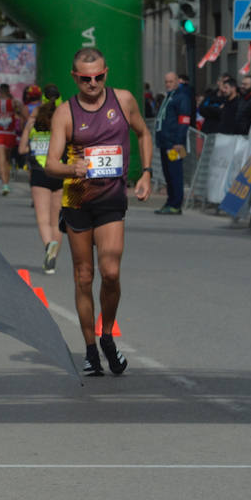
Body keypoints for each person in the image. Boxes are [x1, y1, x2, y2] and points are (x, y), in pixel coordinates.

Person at [44, 47, 153, 377]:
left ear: (106, 73)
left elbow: (143, 133)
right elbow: (50, 164)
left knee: (110, 273)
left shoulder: (123, 100)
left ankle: (107, 337)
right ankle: (91, 350)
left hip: (111, 199)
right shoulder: (65, 113)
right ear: (75, 78)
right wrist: (70, 168)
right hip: (77, 199)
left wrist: (146, 172)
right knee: (84, 276)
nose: (93, 83)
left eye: (99, 77)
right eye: (85, 78)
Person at [18, 83, 64, 273]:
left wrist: (35, 147)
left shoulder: (32, 122)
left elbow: (21, 149)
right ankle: (51, 259)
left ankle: (48, 247)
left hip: (39, 173)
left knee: (43, 219)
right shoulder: (63, 122)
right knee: (56, 221)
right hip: (60, 171)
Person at [154, 70, 191, 214]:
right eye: (166, 82)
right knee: (168, 173)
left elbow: (184, 121)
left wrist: (179, 141)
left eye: (171, 81)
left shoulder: (182, 97)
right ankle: (170, 201)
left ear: (177, 81)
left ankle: (176, 204)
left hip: (175, 143)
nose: (168, 84)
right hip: (165, 142)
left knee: (176, 173)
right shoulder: (168, 97)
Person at [0, 82, 28, 195]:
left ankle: (5, 185)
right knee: (7, 160)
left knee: (1, 160)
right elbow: (23, 114)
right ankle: (6, 182)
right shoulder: (14, 102)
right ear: (9, 91)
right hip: (10, 134)